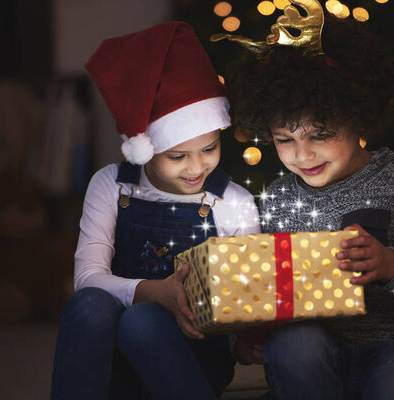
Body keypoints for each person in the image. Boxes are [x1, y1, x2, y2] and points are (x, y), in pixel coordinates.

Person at [225, 14, 394, 400]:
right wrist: (243, 339)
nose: (303, 154)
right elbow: (260, 295)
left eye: (322, 134)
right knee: (293, 347)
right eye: (284, 139)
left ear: (358, 115)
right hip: (311, 351)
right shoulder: (277, 200)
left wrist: (389, 266)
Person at [50, 22, 260, 400]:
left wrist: (245, 340)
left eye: (210, 148)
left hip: (194, 356)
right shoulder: (111, 186)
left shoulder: (235, 203)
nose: (197, 168)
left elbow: (244, 298)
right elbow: (88, 279)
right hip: (116, 362)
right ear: (144, 149)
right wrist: (154, 291)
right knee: (90, 305)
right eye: (177, 156)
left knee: (142, 320)